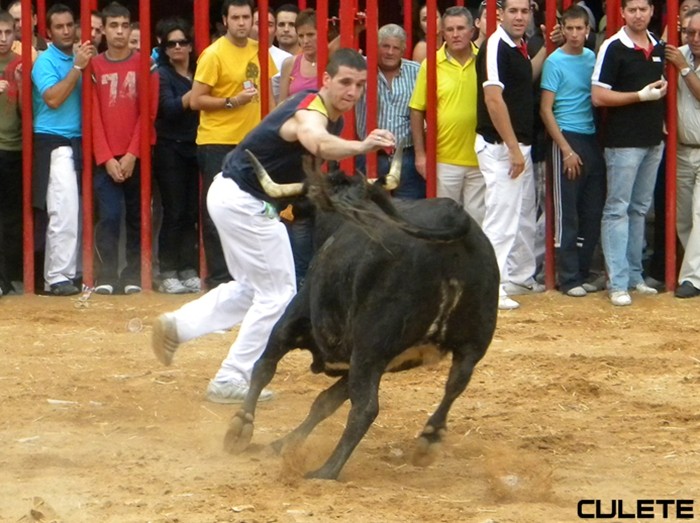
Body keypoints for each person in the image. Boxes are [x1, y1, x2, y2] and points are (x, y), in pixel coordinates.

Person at [152, 48, 396, 404]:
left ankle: (180, 326)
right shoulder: (310, 111)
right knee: (279, 294)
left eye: (359, 85)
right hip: (246, 201)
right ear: (325, 80)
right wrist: (363, 146)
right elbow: (317, 141)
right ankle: (232, 377)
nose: (352, 91)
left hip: (234, 195)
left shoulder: (329, 115)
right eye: (345, 82)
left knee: (253, 288)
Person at [190, 0, 277, 290]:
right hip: (217, 141)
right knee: (217, 211)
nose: (241, 23)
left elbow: (270, 95)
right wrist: (231, 102)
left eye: (246, 17)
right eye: (235, 17)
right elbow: (195, 99)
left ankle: (247, 277)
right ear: (225, 21)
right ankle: (219, 279)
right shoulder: (213, 54)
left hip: (252, 143)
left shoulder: (260, 51)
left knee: (255, 209)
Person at [591, 0, 666, 307]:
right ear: (622, 12)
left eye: (643, 9)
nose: (638, 15)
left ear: (651, 12)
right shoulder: (612, 46)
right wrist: (639, 96)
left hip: (651, 140)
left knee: (638, 209)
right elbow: (597, 96)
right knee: (618, 208)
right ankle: (617, 281)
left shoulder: (658, 46)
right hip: (623, 142)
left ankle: (634, 276)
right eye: (632, 9)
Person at [474, 0, 547, 310]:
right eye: (513, 11)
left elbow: (522, 79)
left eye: (524, 11)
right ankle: (490, 288)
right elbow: (493, 100)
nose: (519, 17)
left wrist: (547, 49)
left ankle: (505, 280)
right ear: (500, 13)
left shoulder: (518, 46)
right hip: (502, 147)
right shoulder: (495, 45)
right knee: (501, 220)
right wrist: (514, 148)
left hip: (515, 147)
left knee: (513, 218)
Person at [91, 2, 157, 295]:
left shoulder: (147, 64)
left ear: (131, 28)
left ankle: (132, 274)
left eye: (124, 25)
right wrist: (106, 157)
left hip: (137, 154)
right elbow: (92, 115)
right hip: (104, 156)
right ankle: (106, 274)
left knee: (136, 216)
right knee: (108, 216)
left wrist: (132, 154)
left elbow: (149, 113)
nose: (119, 31)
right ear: (103, 30)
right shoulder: (94, 66)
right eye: (113, 26)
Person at [539, 6, 605, 297]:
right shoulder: (554, 61)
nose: (576, 34)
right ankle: (567, 278)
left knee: (591, 211)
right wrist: (565, 149)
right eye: (571, 28)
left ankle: (582, 271)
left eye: (581, 28)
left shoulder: (593, 58)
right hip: (566, 137)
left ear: (588, 30)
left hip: (591, 138)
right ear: (562, 29)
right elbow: (545, 109)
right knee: (567, 213)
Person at [31, 4, 95, 296]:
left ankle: (70, 272)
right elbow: (53, 99)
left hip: (81, 142)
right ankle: (57, 277)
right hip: (54, 141)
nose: (67, 31)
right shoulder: (44, 62)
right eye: (60, 27)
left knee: (78, 211)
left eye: (70, 25)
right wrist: (78, 68)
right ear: (48, 31)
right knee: (64, 210)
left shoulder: (83, 55)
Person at [410, 7, 483, 224]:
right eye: (449, 29)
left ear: (472, 31)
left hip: (481, 158)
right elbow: (416, 110)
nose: (455, 34)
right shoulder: (430, 64)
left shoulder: (484, 60)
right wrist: (421, 154)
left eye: (461, 28)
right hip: (444, 159)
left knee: (478, 224)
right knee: (444, 224)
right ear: (442, 32)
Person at [154, 18, 201, 295]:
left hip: (195, 147)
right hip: (169, 148)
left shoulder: (199, 71)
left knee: (191, 212)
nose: (178, 47)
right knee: (174, 211)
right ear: (165, 48)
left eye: (183, 42)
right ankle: (168, 270)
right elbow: (166, 109)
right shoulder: (161, 74)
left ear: (191, 45)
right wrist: (195, 95)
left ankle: (188, 267)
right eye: (171, 43)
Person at [357, 24, 423, 199]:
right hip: (370, 156)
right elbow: (330, 60)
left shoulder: (416, 71)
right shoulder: (361, 69)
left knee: (409, 213)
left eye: (396, 48)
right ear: (376, 47)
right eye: (385, 46)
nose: (390, 52)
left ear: (403, 50)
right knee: (372, 213)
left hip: (407, 155)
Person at [665, 8, 700, 298]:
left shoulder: (681, 62)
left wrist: (685, 70)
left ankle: (692, 278)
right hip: (682, 148)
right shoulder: (677, 53)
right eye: (690, 33)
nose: (695, 38)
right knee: (684, 217)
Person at [0, 9, 22, 297]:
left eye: (6, 32)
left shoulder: (23, 63)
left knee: (11, 218)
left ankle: (8, 277)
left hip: (15, 150)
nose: (2, 38)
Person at [251, 8, 291, 102]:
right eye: (258, 24)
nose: (263, 29)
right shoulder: (237, 54)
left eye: (269, 25)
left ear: (276, 30)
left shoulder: (287, 59)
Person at [279, 9, 318, 101]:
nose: (305, 41)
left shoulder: (332, 61)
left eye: (310, 34)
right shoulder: (289, 64)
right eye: (301, 36)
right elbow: (282, 105)